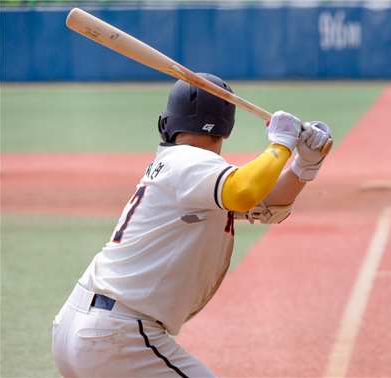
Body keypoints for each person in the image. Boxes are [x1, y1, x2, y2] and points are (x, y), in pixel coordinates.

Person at [51, 73, 332, 377]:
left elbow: (267, 204)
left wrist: (305, 165)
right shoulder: (189, 162)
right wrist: (281, 145)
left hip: (83, 324)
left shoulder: (183, 167)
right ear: (225, 129)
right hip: (119, 333)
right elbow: (244, 191)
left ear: (168, 122)